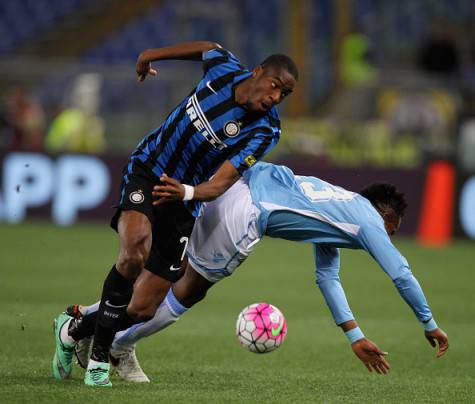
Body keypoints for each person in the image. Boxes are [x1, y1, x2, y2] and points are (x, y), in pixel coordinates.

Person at [52, 41, 298, 387]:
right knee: (134, 251)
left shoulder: (264, 130)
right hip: (149, 169)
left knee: (143, 309)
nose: (276, 97)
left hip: (185, 199)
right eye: (275, 86)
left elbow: (222, 183)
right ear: (258, 72)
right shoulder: (225, 69)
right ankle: (98, 362)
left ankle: (73, 328)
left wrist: (186, 192)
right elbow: (207, 47)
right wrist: (149, 55)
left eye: (284, 95)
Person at [70, 162, 449, 381]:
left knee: (170, 270)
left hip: (237, 185)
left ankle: (94, 324)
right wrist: (428, 322)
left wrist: (356, 336)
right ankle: (110, 341)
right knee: (187, 290)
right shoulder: (368, 219)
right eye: (391, 233)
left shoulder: (339, 209)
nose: (387, 240)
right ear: (385, 216)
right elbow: (400, 272)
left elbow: (327, 277)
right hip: (248, 211)